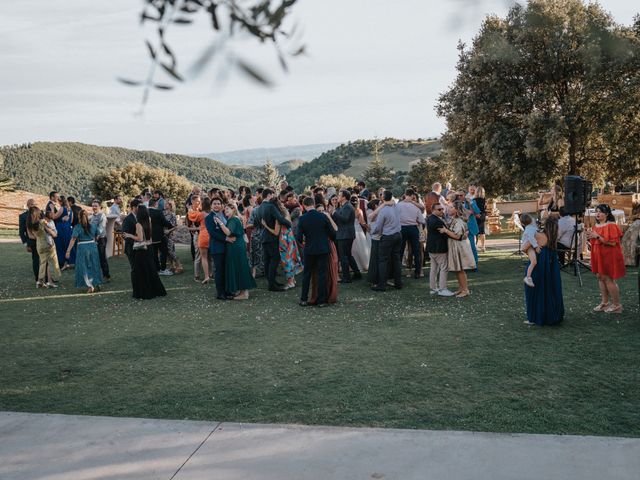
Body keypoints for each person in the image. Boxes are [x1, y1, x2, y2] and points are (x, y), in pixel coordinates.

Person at [296, 196, 337, 307]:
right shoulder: (322, 217)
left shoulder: (302, 218)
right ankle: (321, 301)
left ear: (304, 205)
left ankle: (304, 299)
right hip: (323, 248)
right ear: (313, 204)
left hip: (309, 249)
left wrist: (304, 243)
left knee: (307, 274)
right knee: (322, 274)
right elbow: (333, 234)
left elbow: (298, 237)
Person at [524, 216, 564, 326]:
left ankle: (534, 317)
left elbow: (524, 247)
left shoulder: (538, 235)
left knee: (534, 289)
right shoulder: (554, 237)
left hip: (539, 264)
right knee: (549, 288)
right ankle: (550, 314)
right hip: (551, 265)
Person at [587, 204, 626, 314]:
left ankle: (617, 305)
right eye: (596, 211)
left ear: (607, 214)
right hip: (598, 254)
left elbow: (612, 242)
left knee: (608, 278)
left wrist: (597, 236)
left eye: (600, 212)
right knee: (600, 277)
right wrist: (590, 236)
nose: (597, 214)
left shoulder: (611, 226)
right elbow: (594, 241)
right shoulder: (596, 226)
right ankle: (605, 302)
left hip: (609, 255)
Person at [123, 205, 167, 300]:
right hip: (149, 246)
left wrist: (129, 235)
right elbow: (149, 236)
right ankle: (155, 290)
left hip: (142, 250)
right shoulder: (149, 220)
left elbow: (140, 238)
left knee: (140, 271)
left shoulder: (138, 224)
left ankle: (143, 292)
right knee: (150, 270)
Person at [215, 203, 256, 300]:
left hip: (236, 246)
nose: (226, 211)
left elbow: (229, 232)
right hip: (236, 246)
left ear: (233, 209)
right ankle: (242, 291)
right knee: (239, 267)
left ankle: (244, 293)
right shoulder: (233, 219)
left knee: (240, 267)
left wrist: (220, 223)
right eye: (225, 209)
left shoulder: (233, 219)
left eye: (228, 209)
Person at [262, 195, 303, 289]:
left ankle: (289, 281)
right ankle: (291, 280)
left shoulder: (277, 217)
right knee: (291, 258)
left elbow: (276, 232)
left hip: (284, 240)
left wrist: (266, 226)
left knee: (286, 260)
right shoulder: (285, 213)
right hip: (289, 238)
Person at [309, 195, 339, 305]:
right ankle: (319, 295)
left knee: (330, 270)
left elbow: (336, 229)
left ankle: (330, 294)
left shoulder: (327, 219)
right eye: (319, 211)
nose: (321, 212)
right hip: (320, 247)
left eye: (323, 210)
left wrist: (329, 217)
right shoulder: (315, 221)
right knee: (319, 272)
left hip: (329, 246)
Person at [259, 189, 292, 291]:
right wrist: (289, 224)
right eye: (272, 194)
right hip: (272, 236)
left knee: (267, 260)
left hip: (264, 236)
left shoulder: (260, 207)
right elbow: (280, 219)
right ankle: (272, 285)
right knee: (275, 259)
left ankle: (271, 282)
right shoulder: (270, 206)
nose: (274, 196)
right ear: (269, 195)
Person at [370, 191, 402, 291]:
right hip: (398, 235)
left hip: (388, 237)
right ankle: (398, 283)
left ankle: (382, 285)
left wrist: (373, 232)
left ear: (383, 198)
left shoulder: (383, 211)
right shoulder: (396, 206)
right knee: (396, 259)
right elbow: (394, 201)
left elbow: (378, 227)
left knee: (383, 260)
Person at [441, 201, 475, 297]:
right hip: (455, 246)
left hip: (459, 247)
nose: (448, 209)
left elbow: (457, 236)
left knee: (460, 269)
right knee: (457, 269)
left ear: (456, 210)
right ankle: (461, 288)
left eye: (451, 207)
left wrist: (446, 231)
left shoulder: (459, 221)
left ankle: (465, 290)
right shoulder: (454, 219)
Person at [65, 209, 103, 293]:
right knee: (94, 265)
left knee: (84, 267)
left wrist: (68, 251)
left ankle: (90, 285)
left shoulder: (77, 227)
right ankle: (97, 283)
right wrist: (94, 240)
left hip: (82, 248)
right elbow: (98, 234)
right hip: (93, 247)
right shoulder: (93, 225)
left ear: (79, 217)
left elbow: (73, 239)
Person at [205, 197, 234, 300]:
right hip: (217, 248)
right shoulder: (209, 218)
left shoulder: (225, 216)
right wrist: (226, 238)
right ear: (211, 205)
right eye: (214, 203)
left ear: (221, 205)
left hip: (227, 247)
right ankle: (220, 293)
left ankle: (228, 290)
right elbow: (212, 233)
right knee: (219, 271)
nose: (216, 205)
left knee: (227, 270)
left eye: (218, 203)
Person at [26, 207, 60, 288]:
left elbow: (31, 236)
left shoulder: (28, 224)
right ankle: (50, 282)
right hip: (47, 243)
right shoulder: (42, 222)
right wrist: (50, 232)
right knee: (50, 263)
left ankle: (40, 281)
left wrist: (38, 236)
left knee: (43, 262)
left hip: (39, 244)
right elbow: (52, 233)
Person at [426, 203, 455, 296]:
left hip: (431, 247)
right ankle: (443, 289)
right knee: (444, 268)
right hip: (439, 248)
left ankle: (433, 288)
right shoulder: (436, 221)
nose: (442, 211)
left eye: (442, 209)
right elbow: (446, 233)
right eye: (439, 209)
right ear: (433, 210)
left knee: (434, 269)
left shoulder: (430, 218)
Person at [332, 190, 361, 283]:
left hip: (345, 234)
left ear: (344, 197)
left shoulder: (348, 207)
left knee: (344, 256)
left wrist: (334, 213)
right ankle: (357, 274)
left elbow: (345, 219)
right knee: (348, 255)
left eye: (339, 195)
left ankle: (346, 277)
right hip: (345, 233)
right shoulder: (343, 206)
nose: (338, 197)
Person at [397, 188, 425, 279]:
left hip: (402, 228)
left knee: (400, 250)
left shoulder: (398, 205)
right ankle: (417, 272)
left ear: (405, 194)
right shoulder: (415, 206)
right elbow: (422, 220)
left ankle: (397, 271)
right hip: (413, 228)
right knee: (416, 251)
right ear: (413, 195)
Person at [188, 196, 213, 283]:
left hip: (203, 236)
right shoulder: (213, 214)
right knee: (211, 258)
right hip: (212, 236)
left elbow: (191, 216)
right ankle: (211, 274)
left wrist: (190, 209)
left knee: (204, 258)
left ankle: (206, 277)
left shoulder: (201, 214)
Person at [148, 198, 174, 275]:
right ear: (155, 204)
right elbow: (164, 222)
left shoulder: (145, 211)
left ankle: (157, 269)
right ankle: (163, 269)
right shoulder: (158, 211)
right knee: (164, 252)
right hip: (159, 236)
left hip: (149, 236)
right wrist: (171, 225)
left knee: (154, 253)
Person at [19, 199, 39, 283]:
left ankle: (47, 278)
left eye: (35, 204)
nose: (34, 206)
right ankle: (38, 278)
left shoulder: (40, 213)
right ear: (28, 205)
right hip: (32, 241)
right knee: (36, 259)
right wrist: (26, 244)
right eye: (32, 204)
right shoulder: (23, 216)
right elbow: (21, 232)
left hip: (42, 240)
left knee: (45, 260)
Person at [89, 200, 110, 281]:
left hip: (101, 239)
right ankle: (97, 275)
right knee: (95, 258)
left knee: (102, 257)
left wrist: (95, 238)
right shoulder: (92, 216)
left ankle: (106, 276)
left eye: (95, 206)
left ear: (100, 207)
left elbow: (101, 228)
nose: (94, 207)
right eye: (93, 206)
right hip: (94, 239)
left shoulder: (102, 216)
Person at [350, 194, 371, 273]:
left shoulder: (348, 210)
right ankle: (363, 265)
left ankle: (353, 266)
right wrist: (368, 227)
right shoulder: (359, 211)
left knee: (352, 249)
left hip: (350, 230)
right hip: (358, 230)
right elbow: (362, 222)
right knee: (360, 248)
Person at [163, 199, 183, 274]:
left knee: (171, 251)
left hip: (170, 235)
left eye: (167, 204)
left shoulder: (172, 215)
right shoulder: (163, 213)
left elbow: (175, 226)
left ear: (170, 205)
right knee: (167, 252)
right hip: (163, 234)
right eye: (165, 204)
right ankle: (172, 266)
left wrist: (169, 231)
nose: (165, 205)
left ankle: (179, 266)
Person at [55, 195, 74, 271]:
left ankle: (63, 263)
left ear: (61, 201)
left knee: (60, 245)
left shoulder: (62, 208)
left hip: (61, 228)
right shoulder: (70, 209)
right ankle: (68, 262)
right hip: (68, 229)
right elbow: (71, 221)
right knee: (67, 244)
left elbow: (55, 217)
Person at [520, 213, 539, 287]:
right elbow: (531, 238)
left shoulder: (529, 227)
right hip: (528, 247)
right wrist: (536, 246)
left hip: (528, 246)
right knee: (534, 262)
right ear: (531, 220)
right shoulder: (531, 228)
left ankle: (529, 277)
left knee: (534, 262)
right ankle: (528, 277)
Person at [122, 199, 140, 267]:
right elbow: (124, 234)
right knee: (134, 268)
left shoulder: (139, 217)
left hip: (139, 247)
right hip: (131, 248)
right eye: (139, 206)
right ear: (134, 207)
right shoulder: (128, 219)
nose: (141, 208)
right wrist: (135, 243)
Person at [475, 186, 487, 252]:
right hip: (482, 216)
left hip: (476, 216)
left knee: (476, 231)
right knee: (482, 232)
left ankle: (475, 245)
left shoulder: (474, 200)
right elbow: (485, 209)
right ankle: (483, 246)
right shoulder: (484, 200)